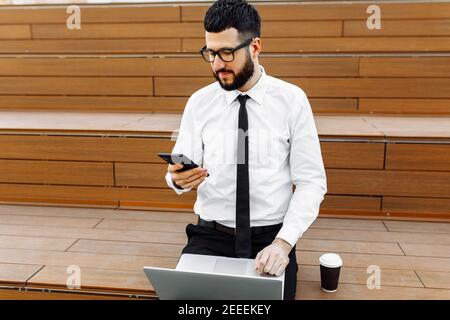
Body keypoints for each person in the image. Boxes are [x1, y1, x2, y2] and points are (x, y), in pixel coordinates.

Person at [165, 0, 327, 300]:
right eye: (210, 53)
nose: (217, 64)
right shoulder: (199, 103)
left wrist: (284, 243)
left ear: (255, 46)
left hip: (270, 237)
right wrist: (176, 180)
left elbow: (311, 182)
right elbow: (179, 168)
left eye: (227, 53)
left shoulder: (292, 101)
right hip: (210, 236)